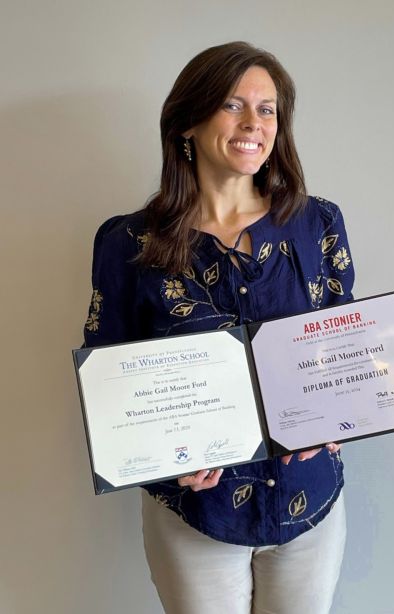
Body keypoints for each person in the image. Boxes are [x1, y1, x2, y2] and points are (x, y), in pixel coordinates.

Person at [83, 41, 354, 614]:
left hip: (309, 499)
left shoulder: (317, 223)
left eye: (268, 109)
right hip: (197, 513)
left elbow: (342, 343)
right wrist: (165, 455)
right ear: (188, 121)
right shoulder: (130, 243)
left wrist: (343, 410)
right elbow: (109, 379)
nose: (254, 123)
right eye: (234, 106)